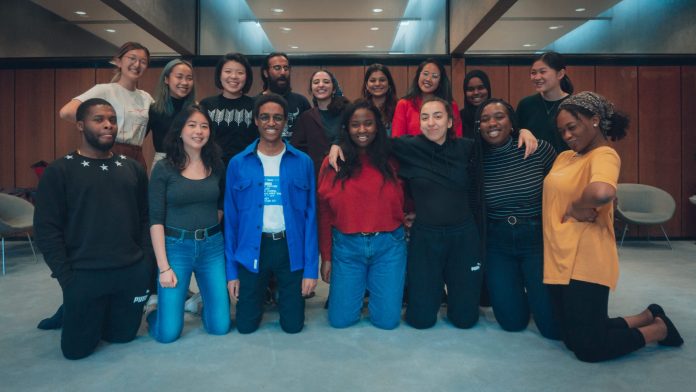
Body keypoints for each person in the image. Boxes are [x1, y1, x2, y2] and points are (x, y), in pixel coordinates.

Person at [545, 91, 683, 362]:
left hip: (586, 257)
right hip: (559, 254)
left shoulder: (604, 154)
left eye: (572, 127)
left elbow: (601, 192)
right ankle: (645, 316)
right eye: (562, 131)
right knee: (570, 337)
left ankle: (658, 329)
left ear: (594, 120)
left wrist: (576, 206)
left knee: (588, 349)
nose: (567, 136)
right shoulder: (565, 158)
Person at [330, 97, 483, 329]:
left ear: (450, 121)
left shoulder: (467, 148)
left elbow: (498, 140)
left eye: (438, 116)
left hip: (463, 235)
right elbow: (367, 137)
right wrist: (337, 142)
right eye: (425, 117)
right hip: (426, 236)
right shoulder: (407, 147)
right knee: (420, 321)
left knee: (465, 321)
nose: (431, 123)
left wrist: (522, 132)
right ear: (419, 123)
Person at [34, 98, 152, 359]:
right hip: (84, 274)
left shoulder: (132, 168)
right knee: (77, 352)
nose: (108, 125)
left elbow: (146, 219)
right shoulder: (60, 171)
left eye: (112, 120)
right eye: (99, 120)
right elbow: (47, 230)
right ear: (80, 125)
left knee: (122, 337)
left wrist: (145, 265)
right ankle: (71, 309)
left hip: (130, 272)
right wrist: (67, 279)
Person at [224, 93, 318, 334]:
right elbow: (231, 220)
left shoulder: (303, 162)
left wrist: (310, 270)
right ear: (256, 120)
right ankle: (264, 292)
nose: (271, 123)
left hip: (289, 247)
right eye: (265, 117)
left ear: (286, 121)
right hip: (252, 249)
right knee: (245, 326)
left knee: (293, 326)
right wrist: (232, 272)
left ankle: (280, 292)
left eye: (277, 117)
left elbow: (310, 218)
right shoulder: (238, 163)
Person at [317, 100, 407, 329]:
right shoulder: (333, 162)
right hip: (347, 247)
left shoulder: (395, 158)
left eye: (368, 123)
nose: (362, 130)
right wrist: (326, 256)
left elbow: (414, 191)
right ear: (346, 128)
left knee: (387, 322)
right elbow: (325, 212)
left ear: (378, 126)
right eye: (355, 125)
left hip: (389, 246)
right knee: (340, 321)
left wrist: (412, 212)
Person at [475, 98, 559, 339]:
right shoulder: (475, 157)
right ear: (478, 126)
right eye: (485, 119)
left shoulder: (539, 149)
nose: (492, 123)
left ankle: (538, 297)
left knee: (552, 328)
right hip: (497, 242)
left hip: (536, 239)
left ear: (512, 122)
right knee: (512, 323)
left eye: (499, 117)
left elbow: (562, 186)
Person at [147, 105, 230, 343]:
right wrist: (164, 267)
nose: (198, 131)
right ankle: (154, 310)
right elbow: (155, 220)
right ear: (180, 131)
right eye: (192, 125)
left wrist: (208, 230)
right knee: (168, 334)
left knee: (220, 326)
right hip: (176, 248)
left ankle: (201, 305)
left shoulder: (216, 165)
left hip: (212, 248)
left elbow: (220, 205)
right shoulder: (164, 168)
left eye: (204, 126)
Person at [59, 42, 154, 168]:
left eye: (143, 61)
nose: (137, 65)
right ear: (118, 62)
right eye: (132, 58)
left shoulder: (146, 98)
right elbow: (66, 112)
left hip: (136, 155)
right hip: (109, 151)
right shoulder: (105, 90)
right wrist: (96, 129)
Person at [200, 53, 258, 166]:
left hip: (247, 167)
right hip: (212, 168)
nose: (234, 76)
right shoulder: (206, 105)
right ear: (219, 74)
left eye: (240, 72)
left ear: (247, 77)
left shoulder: (255, 105)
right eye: (228, 71)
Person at [291, 69, 349, 178]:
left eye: (326, 82)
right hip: (318, 176)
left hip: (346, 173)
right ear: (311, 89)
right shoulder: (306, 117)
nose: (321, 85)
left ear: (334, 89)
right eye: (316, 82)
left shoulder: (347, 110)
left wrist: (338, 143)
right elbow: (297, 149)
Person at [517, 51, 573, 152]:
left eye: (543, 72)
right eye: (533, 73)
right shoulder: (525, 104)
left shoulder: (574, 105)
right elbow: (515, 134)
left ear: (560, 74)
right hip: (534, 165)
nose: (537, 77)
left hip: (567, 165)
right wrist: (522, 131)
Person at [392, 58, 463, 138]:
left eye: (434, 76)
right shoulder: (404, 104)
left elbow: (457, 137)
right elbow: (397, 140)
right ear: (418, 76)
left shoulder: (451, 104)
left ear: (440, 81)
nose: (428, 79)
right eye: (425, 74)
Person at [147, 59, 196, 167]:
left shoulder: (196, 110)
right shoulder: (154, 109)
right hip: (163, 162)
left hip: (192, 161)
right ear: (166, 79)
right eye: (179, 77)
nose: (184, 82)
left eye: (189, 78)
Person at [258, 52, 311, 139]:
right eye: (277, 68)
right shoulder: (255, 102)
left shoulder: (302, 102)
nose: (283, 72)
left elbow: (310, 135)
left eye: (286, 68)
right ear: (266, 73)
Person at [362, 64, 398, 136]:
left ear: (389, 84)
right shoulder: (361, 108)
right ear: (366, 85)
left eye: (382, 80)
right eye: (372, 80)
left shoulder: (398, 107)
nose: (377, 84)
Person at [460, 69, 492, 137]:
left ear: (488, 89)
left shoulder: (496, 114)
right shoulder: (459, 117)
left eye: (480, 88)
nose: (476, 93)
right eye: (471, 89)